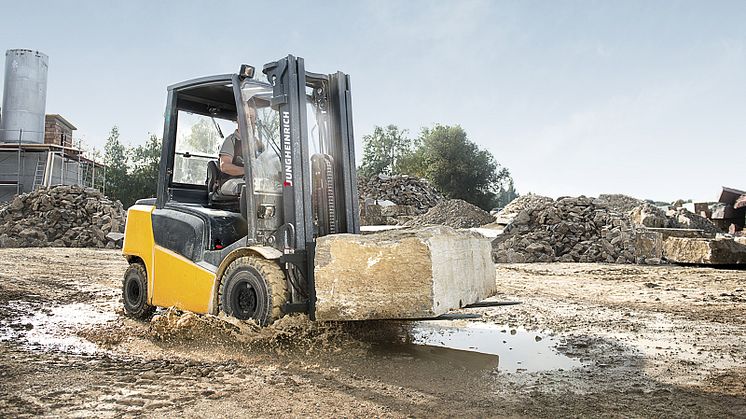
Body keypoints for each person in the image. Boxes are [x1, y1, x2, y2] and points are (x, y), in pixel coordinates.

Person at [217, 129, 245, 196]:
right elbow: (225, 166)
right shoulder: (231, 140)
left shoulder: (256, 143)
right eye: (249, 118)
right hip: (230, 180)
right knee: (245, 188)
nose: (252, 120)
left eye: (253, 119)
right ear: (239, 120)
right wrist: (248, 171)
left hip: (251, 181)